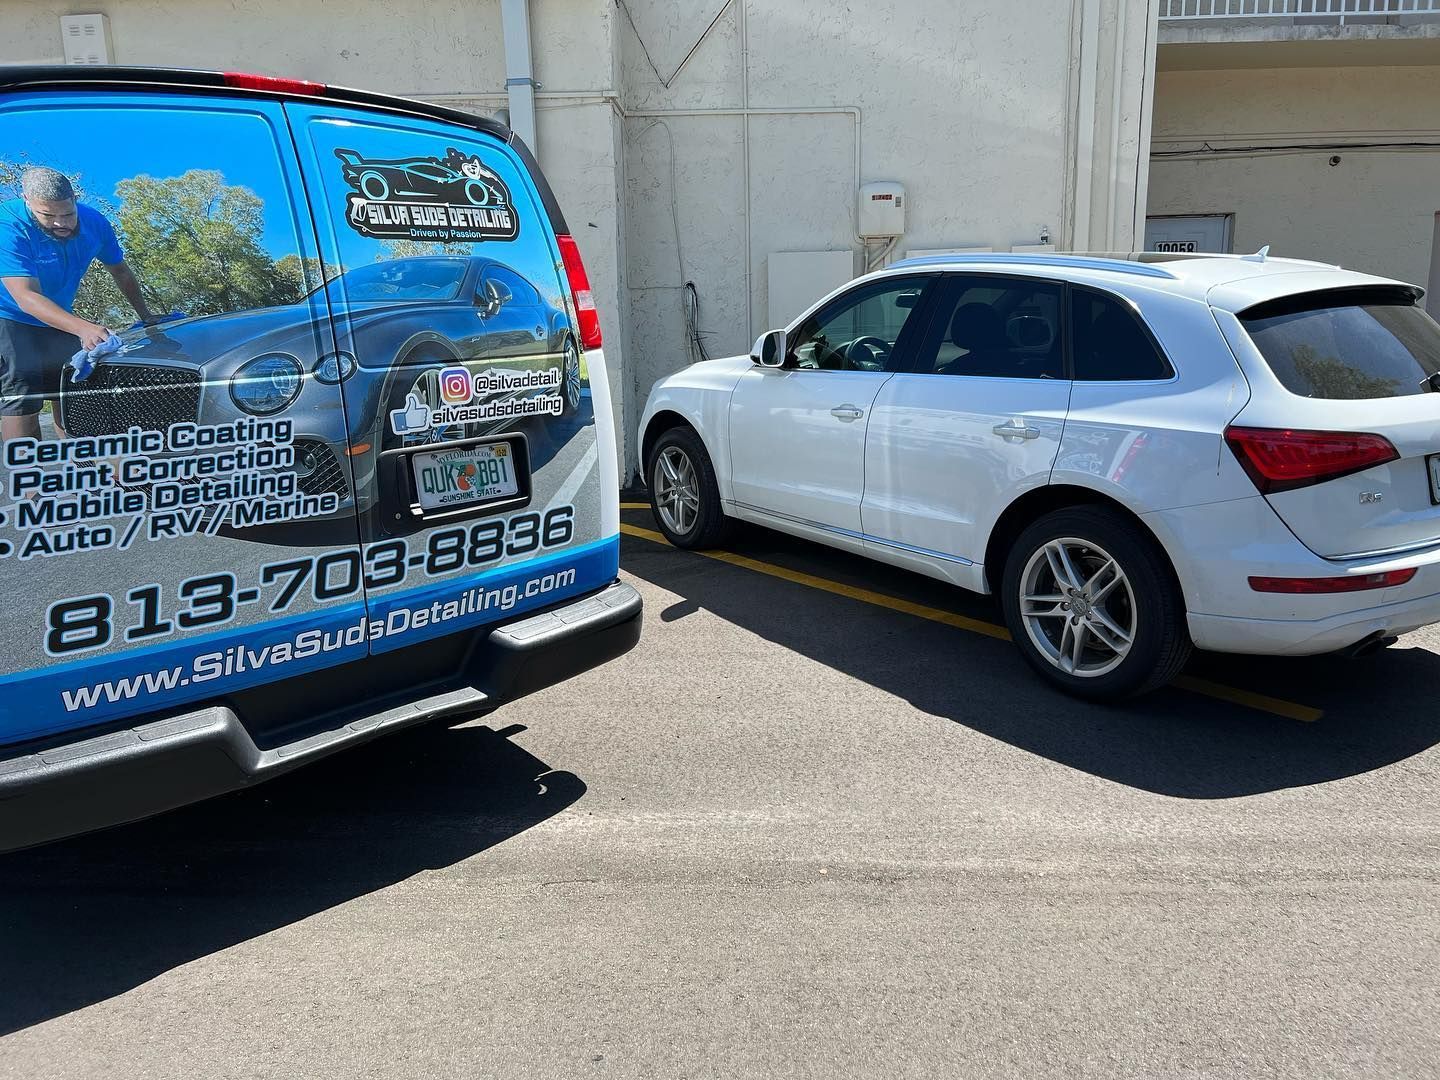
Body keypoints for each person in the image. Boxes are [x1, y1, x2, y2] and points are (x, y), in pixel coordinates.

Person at [0, 166, 155, 441]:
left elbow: (120, 270)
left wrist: (147, 315)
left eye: (68, 213)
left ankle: (80, 469)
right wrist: (84, 328)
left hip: (59, 314)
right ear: (27, 200)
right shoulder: (8, 225)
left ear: (74, 199)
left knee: (69, 391)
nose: (61, 223)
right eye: (48, 215)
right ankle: (27, 481)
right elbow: (25, 297)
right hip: (10, 316)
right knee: (23, 396)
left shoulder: (95, 223)